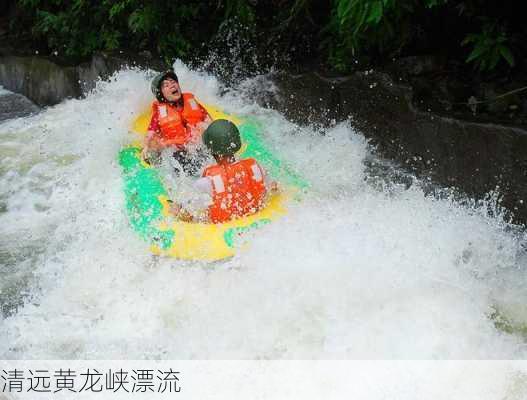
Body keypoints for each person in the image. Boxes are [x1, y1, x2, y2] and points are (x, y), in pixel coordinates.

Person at [170, 119, 277, 223]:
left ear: (210, 150)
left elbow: (187, 214)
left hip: (223, 232)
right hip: (257, 220)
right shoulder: (256, 168)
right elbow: (273, 187)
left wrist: (176, 208)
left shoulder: (205, 183)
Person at [142, 69, 212, 175]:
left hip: (199, 147)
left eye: (173, 82)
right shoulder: (159, 113)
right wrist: (146, 147)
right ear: (161, 94)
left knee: (202, 129)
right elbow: (151, 133)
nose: (172, 85)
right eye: (166, 85)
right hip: (177, 153)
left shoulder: (192, 102)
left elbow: (208, 120)